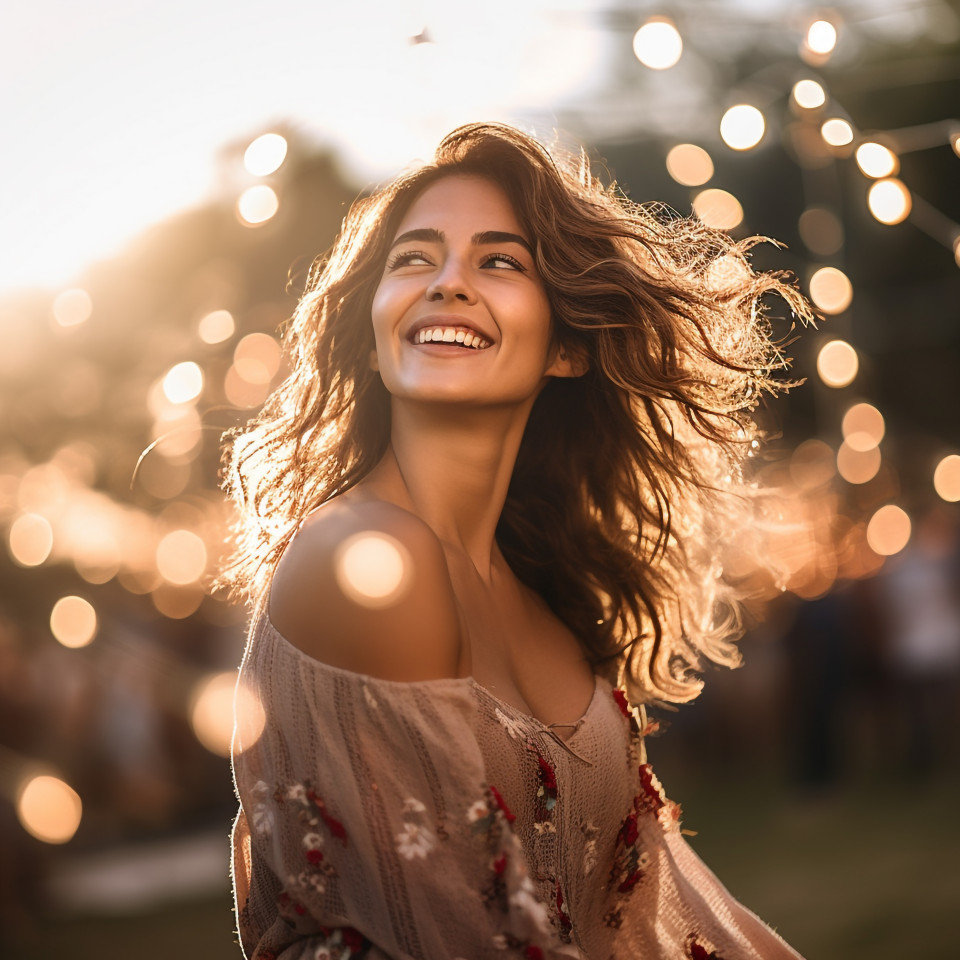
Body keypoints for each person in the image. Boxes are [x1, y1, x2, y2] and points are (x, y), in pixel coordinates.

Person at [223, 122, 810, 959]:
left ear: (566, 348)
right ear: (373, 336)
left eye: (498, 262)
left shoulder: (542, 587)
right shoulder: (365, 560)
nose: (447, 283)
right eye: (414, 259)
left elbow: (654, 904)